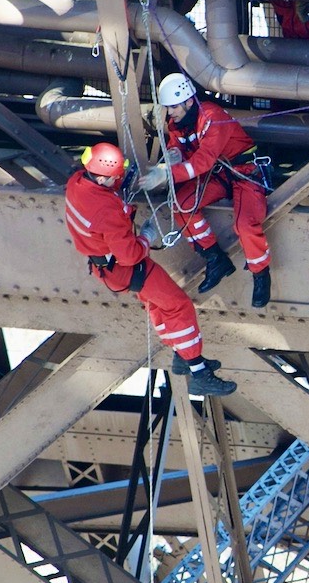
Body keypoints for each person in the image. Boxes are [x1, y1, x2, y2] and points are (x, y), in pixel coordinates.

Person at [64, 143, 237, 396]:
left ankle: (181, 354)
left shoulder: (77, 182)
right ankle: (199, 371)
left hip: (108, 268)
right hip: (127, 268)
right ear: (101, 177)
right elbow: (131, 254)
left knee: (158, 304)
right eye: (115, 177)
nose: (119, 179)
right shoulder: (106, 211)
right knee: (179, 305)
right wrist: (146, 237)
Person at [139, 74, 273, 308]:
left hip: (245, 170)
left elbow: (203, 161)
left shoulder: (212, 117)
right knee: (180, 205)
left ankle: (261, 275)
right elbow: (178, 145)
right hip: (220, 173)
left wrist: (168, 174)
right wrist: (171, 156)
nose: (170, 113)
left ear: (189, 102)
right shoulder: (179, 122)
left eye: (173, 107)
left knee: (245, 224)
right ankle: (215, 259)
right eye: (168, 108)